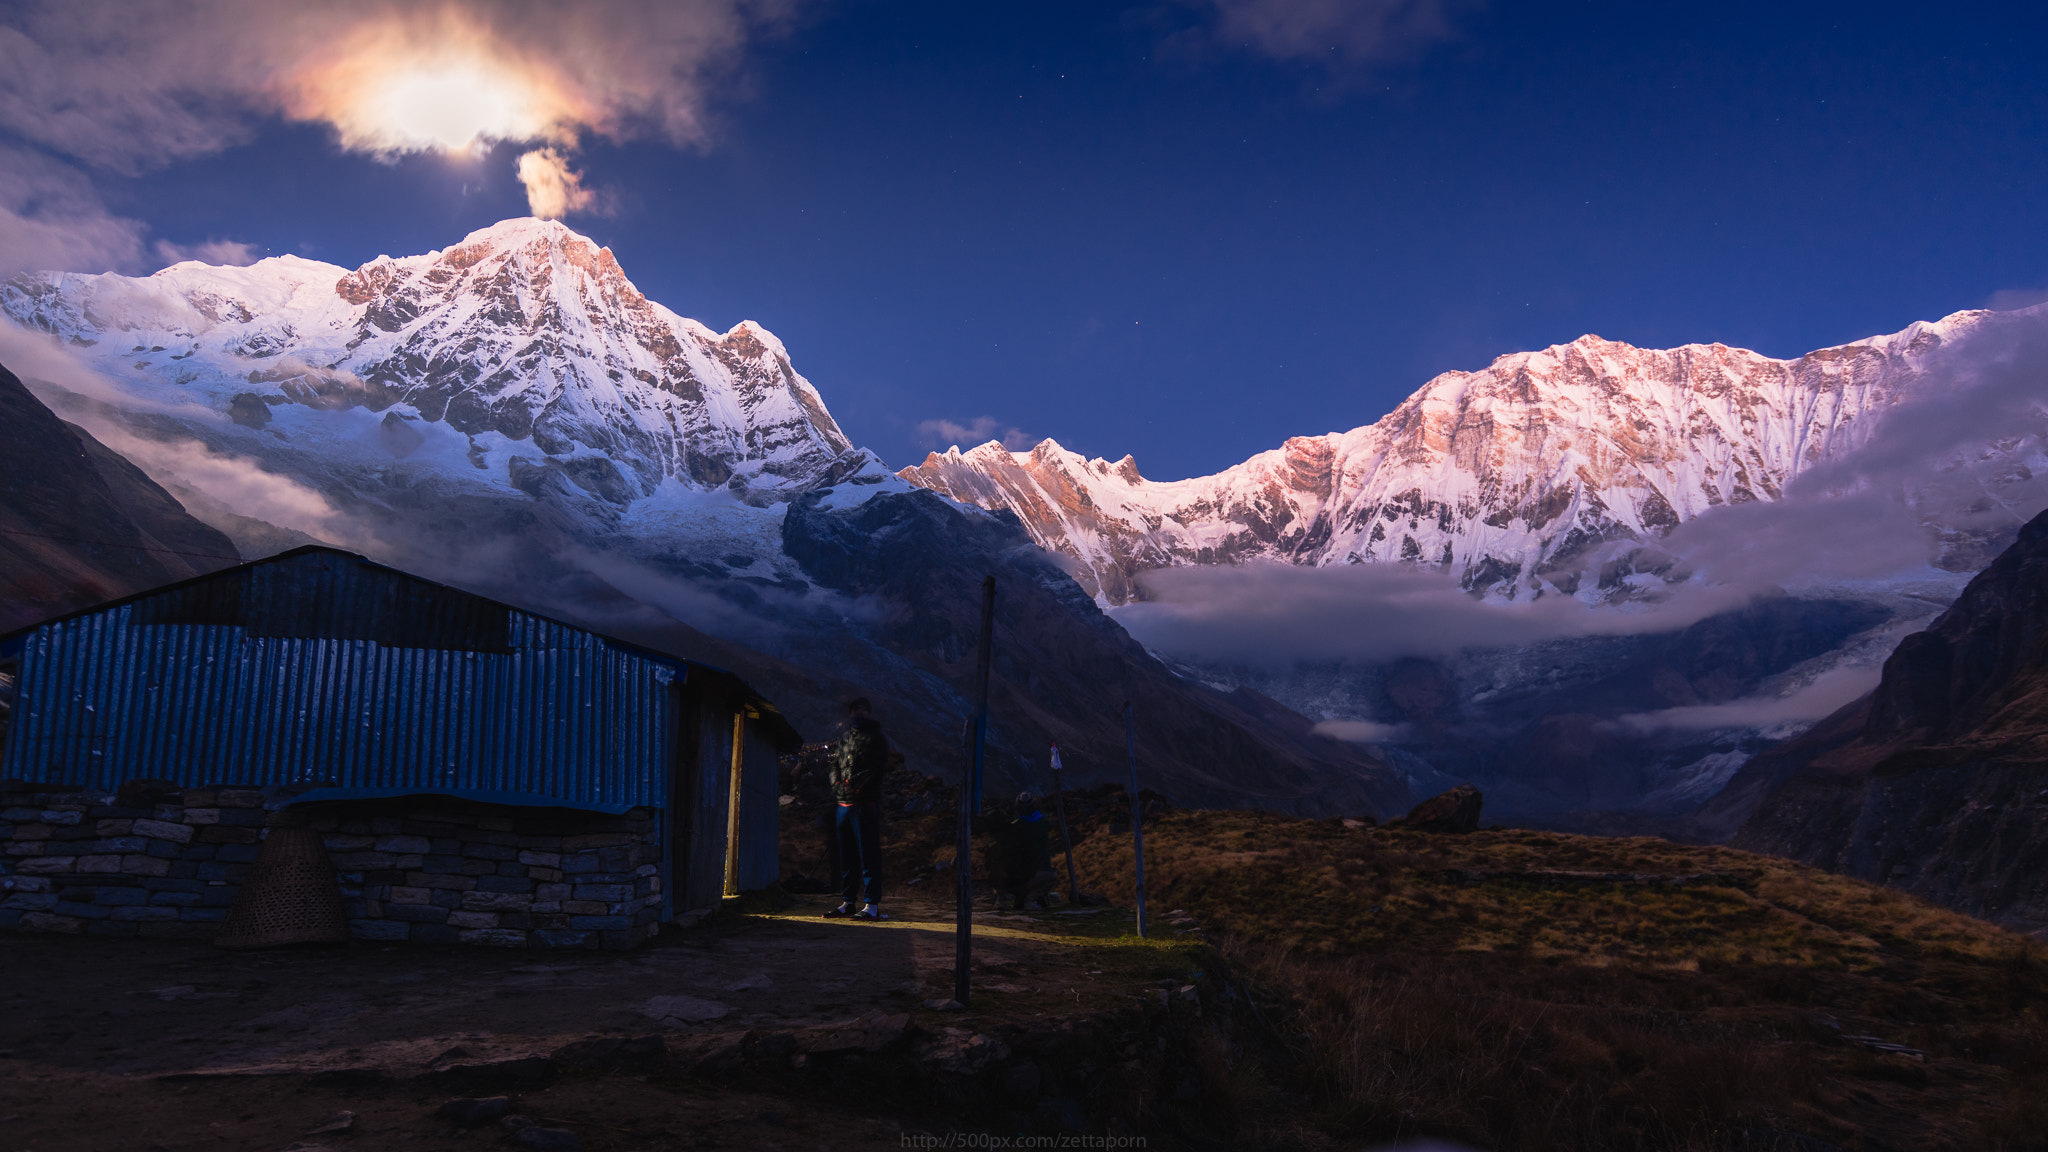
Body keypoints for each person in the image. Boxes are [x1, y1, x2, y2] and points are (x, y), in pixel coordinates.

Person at [825, 697, 890, 920]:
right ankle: (848, 902)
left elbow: (877, 768)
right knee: (848, 855)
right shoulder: (844, 739)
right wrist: (836, 784)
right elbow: (835, 765)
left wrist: (857, 787)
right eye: (856, 709)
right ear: (851, 712)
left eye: (864, 709)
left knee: (868, 853)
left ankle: (871, 905)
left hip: (864, 803)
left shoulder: (876, 738)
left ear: (869, 713)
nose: (860, 713)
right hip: (843, 804)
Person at [988, 791, 1059, 911]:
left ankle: (1000, 899)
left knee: (999, 868)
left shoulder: (1013, 828)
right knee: (1052, 876)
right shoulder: (1042, 824)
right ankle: (1029, 899)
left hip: (1011, 877)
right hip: (1034, 874)